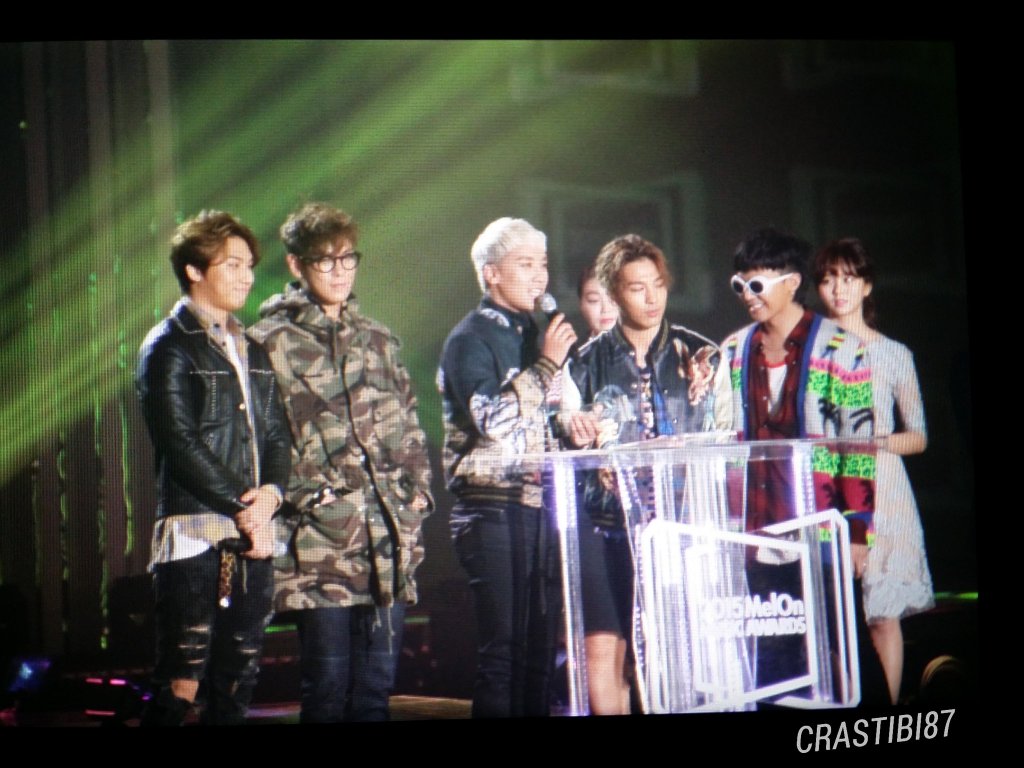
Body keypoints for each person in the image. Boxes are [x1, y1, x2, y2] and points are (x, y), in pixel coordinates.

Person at [250, 203, 433, 722]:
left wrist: (417, 494)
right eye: (325, 261)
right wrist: (312, 498)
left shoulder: (378, 339)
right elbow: (261, 440)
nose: (339, 271)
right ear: (297, 265)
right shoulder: (269, 343)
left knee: (376, 692)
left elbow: (410, 423)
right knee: (327, 691)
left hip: (389, 540)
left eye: (348, 258)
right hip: (318, 547)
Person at [712, 227, 888, 705]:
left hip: (820, 526)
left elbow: (858, 443)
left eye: (757, 284)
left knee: (844, 642)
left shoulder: (841, 348)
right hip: (754, 528)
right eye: (739, 285)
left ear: (791, 283)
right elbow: (720, 434)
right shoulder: (732, 351)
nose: (747, 296)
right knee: (772, 655)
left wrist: (857, 529)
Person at [136, 210, 291, 726]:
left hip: (254, 531)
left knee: (239, 673)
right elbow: (179, 443)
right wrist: (244, 507)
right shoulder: (168, 347)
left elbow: (277, 435)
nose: (247, 276)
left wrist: (271, 496)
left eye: (249, 265)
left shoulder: (253, 349)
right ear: (194, 270)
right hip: (195, 533)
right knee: (183, 675)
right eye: (233, 264)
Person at [563, 234, 720, 715]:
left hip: (679, 526)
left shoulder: (702, 356)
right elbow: (562, 431)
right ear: (614, 293)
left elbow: (725, 437)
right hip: (605, 527)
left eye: (658, 285)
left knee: (676, 648)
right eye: (637, 288)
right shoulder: (584, 363)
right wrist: (574, 428)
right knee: (603, 646)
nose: (652, 298)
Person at [438, 216, 578, 718]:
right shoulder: (469, 339)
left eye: (542, 264)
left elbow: (549, 418)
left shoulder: (535, 334)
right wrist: (546, 366)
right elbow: (493, 421)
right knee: (505, 652)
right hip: (491, 509)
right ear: (491, 273)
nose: (539, 276)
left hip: (542, 508)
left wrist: (576, 424)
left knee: (542, 653)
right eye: (525, 264)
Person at [814, 237, 934, 705]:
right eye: (828, 279)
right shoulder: (813, 351)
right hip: (827, 486)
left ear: (866, 286)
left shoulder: (894, 353)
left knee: (882, 615)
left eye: (849, 278)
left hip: (884, 489)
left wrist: (871, 441)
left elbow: (919, 436)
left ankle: (888, 713)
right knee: (832, 613)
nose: (838, 289)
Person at [577, 263, 619, 339]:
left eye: (614, 298)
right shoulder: (576, 347)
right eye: (594, 300)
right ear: (581, 306)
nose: (606, 309)